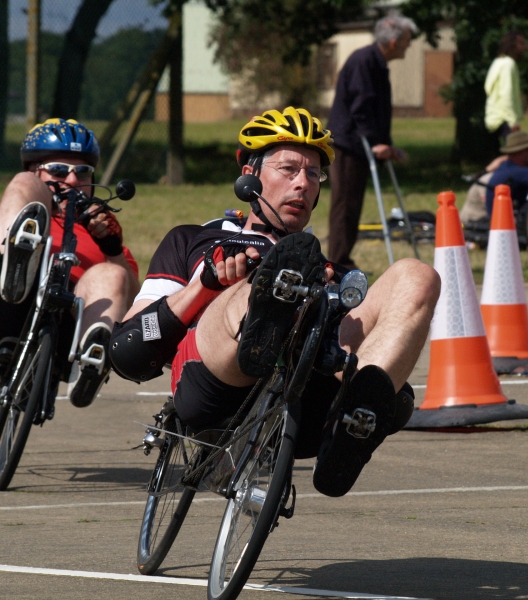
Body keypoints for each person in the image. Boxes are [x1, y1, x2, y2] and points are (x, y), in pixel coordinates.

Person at [109, 106, 440, 498]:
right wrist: (207, 285)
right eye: (288, 169)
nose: (302, 183)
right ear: (249, 175)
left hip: (305, 405)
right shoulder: (194, 240)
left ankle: (357, 418)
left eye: (313, 174)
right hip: (215, 388)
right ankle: (267, 305)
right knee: (260, 279)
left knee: (417, 275)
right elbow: (129, 347)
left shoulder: (330, 269)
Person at [0, 118, 140, 407]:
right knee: (24, 189)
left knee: (113, 274)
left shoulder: (104, 237)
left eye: (83, 172)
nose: (73, 181)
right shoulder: (11, 206)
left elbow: (137, 307)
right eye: (59, 170)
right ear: (34, 169)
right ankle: (17, 260)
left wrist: (112, 249)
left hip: (67, 327)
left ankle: (91, 361)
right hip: (9, 300)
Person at [326, 15, 417, 270]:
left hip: (359, 144)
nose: (408, 46)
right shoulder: (364, 61)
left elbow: (377, 110)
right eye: (407, 41)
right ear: (394, 42)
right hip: (348, 144)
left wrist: (386, 143)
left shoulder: (376, 62)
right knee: (345, 205)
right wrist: (375, 142)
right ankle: (337, 262)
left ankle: (342, 259)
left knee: (353, 204)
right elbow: (361, 105)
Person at [484, 30, 527, 150]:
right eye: (521, 43)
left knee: (504, 154)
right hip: (504, 120)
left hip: (494, 118)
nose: (525, 47)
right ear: (512, 45)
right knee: (516, 154)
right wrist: (512, 121)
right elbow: (506, 94)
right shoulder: (508, 64)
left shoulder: (498, 62)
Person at [485, 130, 528, 217]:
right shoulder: (520, 171)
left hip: (495, 219)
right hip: (509, 222)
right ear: (523, 152)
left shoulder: (505, 167)